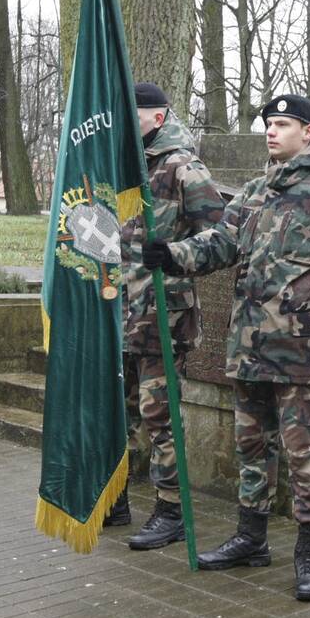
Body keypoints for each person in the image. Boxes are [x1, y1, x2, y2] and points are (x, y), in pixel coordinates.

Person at [141, 94, 310, 602]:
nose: (271, 131)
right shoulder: (253, 192)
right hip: (248, 346)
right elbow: (220, 245)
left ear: (309, 132)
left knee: (302, 453)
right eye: (268, 123)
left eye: (284, 124)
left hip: (298, 352)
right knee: (251, 447)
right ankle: (251, 538)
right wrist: (172, 254)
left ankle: (309, 552)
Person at [105, 83, 226, 550]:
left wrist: (174, 252)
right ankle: (114, 495)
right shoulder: (119, 166)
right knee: (119, 408)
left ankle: (171, 508)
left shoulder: (182, 167)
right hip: (117, 307)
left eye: (132, 114)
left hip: (162, 314)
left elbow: (219, 237)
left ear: (157, 118)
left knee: (159, 414)